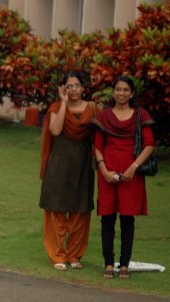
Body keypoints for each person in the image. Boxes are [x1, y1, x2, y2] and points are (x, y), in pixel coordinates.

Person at [90, 75, 155, 279]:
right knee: (107, 219)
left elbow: (149, 144)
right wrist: (104, 170)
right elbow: (97, 146)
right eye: (118, 89)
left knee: (127, 219)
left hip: (131, 173)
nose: (121, 93)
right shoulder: (104, 116)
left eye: (126, 90)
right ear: (113, 91)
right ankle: (109, 264)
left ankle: (125, 265)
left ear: (132, 93)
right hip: (107, 172)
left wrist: (133, 167)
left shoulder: (141, 115)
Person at [39, 71, 96, 271]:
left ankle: (74, 255)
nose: (73, 89)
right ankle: (57, 255)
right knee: (57, 209)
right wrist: (63, 103)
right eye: (69, 86)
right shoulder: (56, 107)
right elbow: (55, 130)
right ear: (63, 89)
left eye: (76, 85)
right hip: (60, 164)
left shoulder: (92, 108)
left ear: (83, 88)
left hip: (83, 165)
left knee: (81, 210)